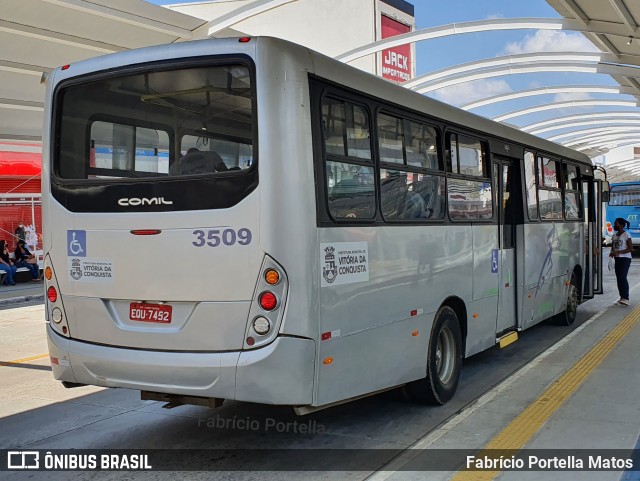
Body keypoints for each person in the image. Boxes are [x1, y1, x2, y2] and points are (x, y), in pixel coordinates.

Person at [609, 217, 633, 305]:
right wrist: (612, 253)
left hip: (625, 259)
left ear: (622, 225)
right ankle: (622, 297)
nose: (615, 224)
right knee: (619, 278)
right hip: (617, 259)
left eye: (616, 223)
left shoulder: (626, 234)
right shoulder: (614, 235)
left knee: (622, 277)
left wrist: (619, 252)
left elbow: (630, 249)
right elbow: (613, 247)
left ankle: (626, 298)